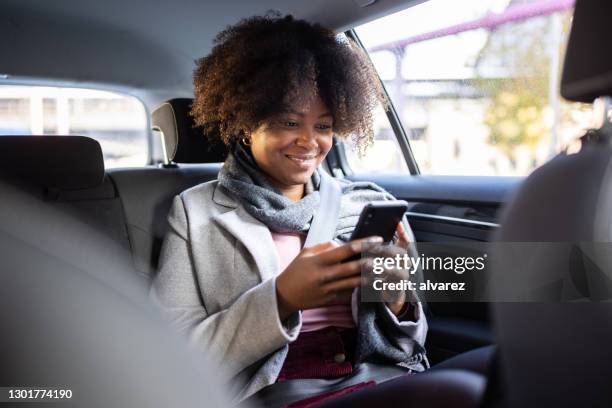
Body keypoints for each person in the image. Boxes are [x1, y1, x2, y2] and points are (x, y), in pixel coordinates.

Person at [151, 14, 428, 407]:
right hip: (271, 392)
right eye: (288, 121)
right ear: (246, 121)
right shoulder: (195, 212)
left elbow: (413, 344)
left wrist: (396, 299)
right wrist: (280, 298)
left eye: (324, 126)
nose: (308, 142)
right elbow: (175, 357)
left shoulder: (367, 203)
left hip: (375, 380)